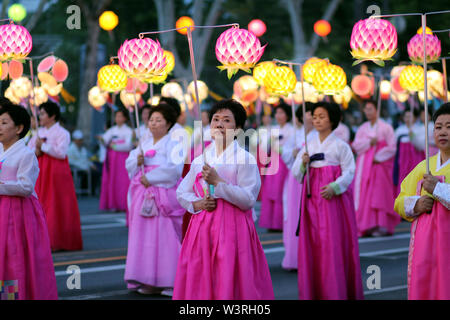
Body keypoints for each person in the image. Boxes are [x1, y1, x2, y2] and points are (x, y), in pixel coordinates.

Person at [174, 99, 274, 300]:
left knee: (229, 275)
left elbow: (248, 199)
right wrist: (199, 203)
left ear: (237, 128)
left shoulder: (245, 158)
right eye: (215, 119)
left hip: (232, 227)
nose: (219, 124)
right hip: (202, 226)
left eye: (226, 120)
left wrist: (219, 183)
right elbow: (181, 192)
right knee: (201, 274)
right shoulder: (200, 159)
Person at [292, 102, 363, 300]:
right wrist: (303, 163)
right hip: (311, 201)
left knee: (332, 244)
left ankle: (336, 291)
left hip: (332, 201)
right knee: (313, 244)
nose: (317, 120)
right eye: (314, 116)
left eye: (322, 116)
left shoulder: (341, 146)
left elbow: (350, 171)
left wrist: (335, 187)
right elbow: (296, 175)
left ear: (332, 120)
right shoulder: (308, 144)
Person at [124, 105, 185, 297]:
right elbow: (129, 163)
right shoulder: (143, 142)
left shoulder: (173, 144)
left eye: (159, 120)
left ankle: (170, 281)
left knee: (164, 236)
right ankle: (147, 279)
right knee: (143, 236)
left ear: (168, 123)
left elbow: (174, 170)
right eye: (151, 120)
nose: (154, 123)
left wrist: (151, 177)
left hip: (163, 193)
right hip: (142, 192)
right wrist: (137, 161)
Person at [0, 103, 58, 300]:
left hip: (17, 213)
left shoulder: (26, 154)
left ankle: (15, 295)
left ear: (19, 128)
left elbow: (26, 187)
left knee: (13, 258)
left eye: (4, 122)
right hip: (2, 210)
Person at [394, 102, 450, 300]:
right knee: (425, 284)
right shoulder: (423, 167)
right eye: (438, 127)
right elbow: (400, 200)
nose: (443, 132)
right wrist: (416, 204)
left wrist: (438, 189)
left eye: (449, 127)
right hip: (424, 244)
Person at [28, 102, 83, 251]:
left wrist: (43, 146)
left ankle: (58, 240)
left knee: (57, 204)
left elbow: (61, 152)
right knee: (41, 202)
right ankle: (43, 239)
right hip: (41, 170)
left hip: (56, 172)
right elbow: (29, 150)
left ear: (52, 116)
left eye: (43, 113)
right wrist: (37, 149)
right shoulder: (38, 132)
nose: (40, 116)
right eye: (40, 113)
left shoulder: (63, 133)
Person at [352, 100, 398, 237]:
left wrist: (377, 156)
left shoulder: (386, 127)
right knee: (365, 195)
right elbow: (356, 145)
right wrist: (369, 143)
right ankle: (367, 225)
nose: (368, 112)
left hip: (379, 166)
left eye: (370, 109)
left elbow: (392, 147)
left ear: (376, 110)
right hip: (364, 167)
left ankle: (381, 225)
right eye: (366, 109)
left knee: (379, 195)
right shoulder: (362, 128)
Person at [280, 102, 316, 270]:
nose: (310, 116)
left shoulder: (319, 135)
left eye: (313, 113)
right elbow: (285, 152)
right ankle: (294, 257)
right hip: (295, 180)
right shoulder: (296, 134)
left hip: (312, 179)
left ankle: (312, 258)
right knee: (294, 216)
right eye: (307, 113)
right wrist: (292, 153)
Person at [259, 102, 294, 231]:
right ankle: (271, 223)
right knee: (270, 191)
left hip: (284, 163)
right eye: (277, 113)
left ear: (288, 115)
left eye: (282, 113)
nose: (279, 116)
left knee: (280, 191)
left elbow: (292, 148)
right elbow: (264, 147)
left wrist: (279, 148)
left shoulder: (292, 130)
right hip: (273, 162)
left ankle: (280, 222)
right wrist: (269, 142)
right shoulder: (273, 130)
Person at [99, 108, 134, 212]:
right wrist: (105, 141)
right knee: (111, 180)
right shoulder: (112, 130)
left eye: (120, 116)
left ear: (125, 118)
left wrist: (114, 145)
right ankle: (112, 203)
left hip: (123, 158)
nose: (117, 118)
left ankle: (123, 203)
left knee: (123, 180)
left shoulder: (129, 131)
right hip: (112, 159)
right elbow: (104, 140)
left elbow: (128, 145)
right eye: (116, 116)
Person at [393, 109, 424, 196]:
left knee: (416, 178)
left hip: (416, 161)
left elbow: (421, 146)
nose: (407, 119)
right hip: (402, 162)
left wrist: (413, 137)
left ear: (415, 118)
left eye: (410, 116)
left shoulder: (420, 129)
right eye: (406, 116)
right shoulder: (399, 130)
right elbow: (395, 147)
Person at [68, 130, 100, 195]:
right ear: (75, 140)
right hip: (76, 168)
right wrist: (85, 167)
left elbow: (85, 159)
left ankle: (91, 190)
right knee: (91, 173)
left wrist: (91, 165)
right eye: (79, 140)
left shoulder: (82, 149)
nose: (80, 142)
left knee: (96, 171)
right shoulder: (70, 149)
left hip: (84, 167)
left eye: (81, 140)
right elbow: (72, 162)